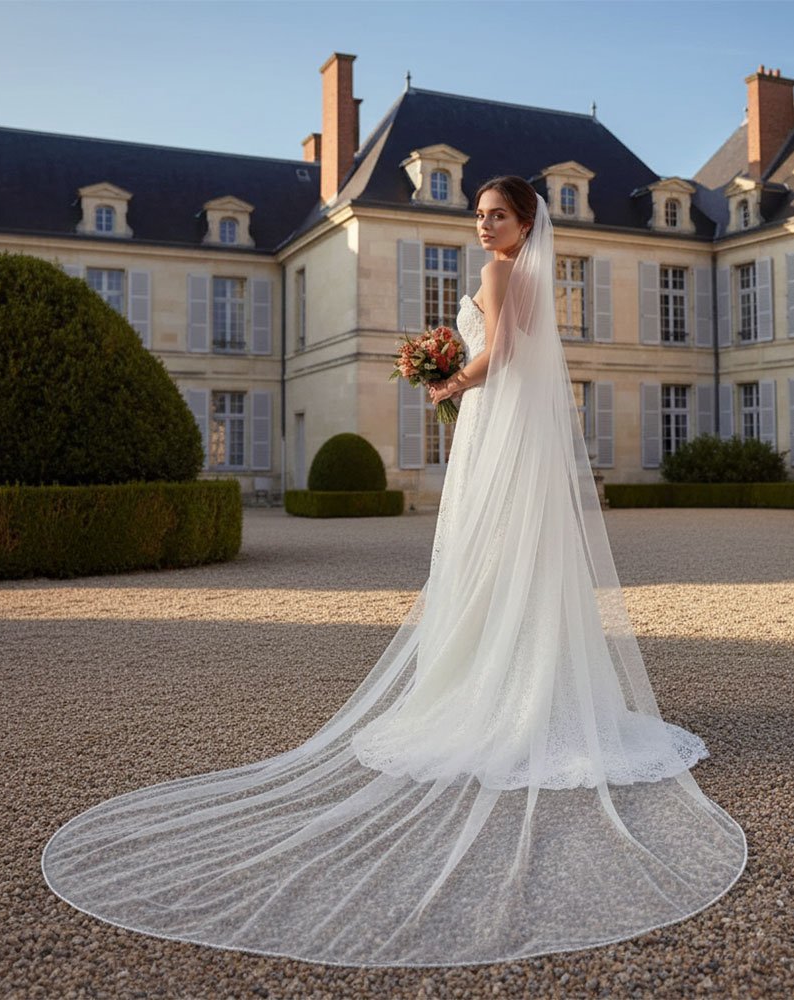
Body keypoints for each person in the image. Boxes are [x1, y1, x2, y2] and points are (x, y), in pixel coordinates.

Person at [42, 176, 747, 969]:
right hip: (512, 430)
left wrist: (447, 380)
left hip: (490, 420)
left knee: (484, 553)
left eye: (496, 216)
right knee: (518, 556)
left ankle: (492, 686)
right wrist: (455, 373)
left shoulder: (495, 274)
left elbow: (501, 355)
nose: (482, 228)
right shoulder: (534, 275)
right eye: (477, 216)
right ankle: (535, 685)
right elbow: (527, 355)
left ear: (524, 222)